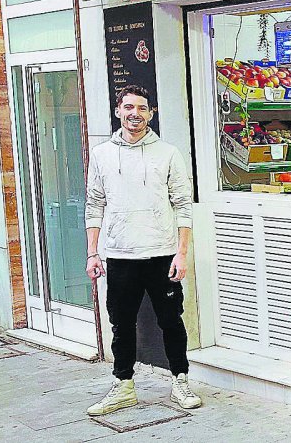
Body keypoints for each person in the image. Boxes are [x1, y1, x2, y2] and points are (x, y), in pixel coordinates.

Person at [85, 85, 202, 415]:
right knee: (121, 325)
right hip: (120, 256)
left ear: (151, 114)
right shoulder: (102, 155)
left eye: (141, 108)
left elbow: (183, 205)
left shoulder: (168, 153)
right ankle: (123, 385)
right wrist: (93, 252)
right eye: (128, 107)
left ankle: (180, 381)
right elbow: (94, 204)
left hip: (162, 255)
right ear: (118, 111)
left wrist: (181, 253)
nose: (134, 113)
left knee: (171, 321)